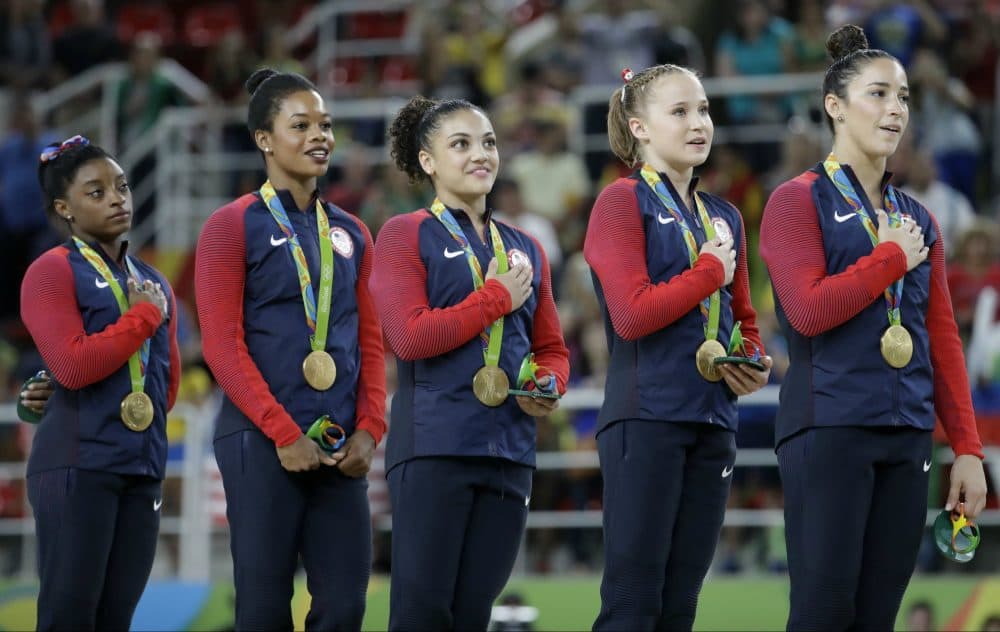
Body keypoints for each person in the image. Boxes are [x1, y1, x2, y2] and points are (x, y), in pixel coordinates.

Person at [759, 25, 987, 631]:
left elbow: (942, 338)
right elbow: (806, 313)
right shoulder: (794, 201)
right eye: (879, 94)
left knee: (876, 619)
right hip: (828, 427)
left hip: (908, 434)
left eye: (905, 97)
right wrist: (887, 259)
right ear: (835, 106)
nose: (896, 110)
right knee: (824, 613)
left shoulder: (917, 217)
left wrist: (965, 447)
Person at [194, 68, 386, 630]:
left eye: (325, 125)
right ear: (263, 139)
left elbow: (368, 341)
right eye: (300, 125)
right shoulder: (229, 226)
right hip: (260, 440)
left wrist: (372, 427)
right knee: (261, 607)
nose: (320, 136)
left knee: (345, 605)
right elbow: (221, 345)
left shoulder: (353, 231)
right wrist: (282, 433)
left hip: (339, 440)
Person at [370, 95, 570, 630]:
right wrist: (493, 299)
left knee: (473, 615)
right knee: (421, 614)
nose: (480, 154)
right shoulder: (404, 234)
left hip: (509, 450)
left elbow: (551, 348)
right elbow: (408, 337)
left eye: (488, 142)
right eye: (460, 144)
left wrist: (548, 383)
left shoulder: (525, 245)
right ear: (428, 161)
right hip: (435, 448)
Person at [583, 64, 771, 631]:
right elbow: (633, 314)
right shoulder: (620, 202)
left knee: (681, 602)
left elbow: (743, 318)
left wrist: (752, 360)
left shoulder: (725, 215)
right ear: (639, 127)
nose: (699, 124)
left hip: (713, 419)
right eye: (680, 112)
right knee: (634, 599)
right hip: (647, 415)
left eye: (705, 110)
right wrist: (709, 269)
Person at [20, 135, 179, 630]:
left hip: (142, 463)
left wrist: (145, 318)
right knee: (69, 618)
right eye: (97, 192)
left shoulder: (152, 280)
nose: (117, 198)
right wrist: (141, 320)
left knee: (116, 620)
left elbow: (165, 386)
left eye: (122, 186)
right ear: (64, 208)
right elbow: (71, 367)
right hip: (77, 463)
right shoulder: (50, 271)